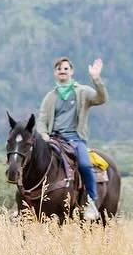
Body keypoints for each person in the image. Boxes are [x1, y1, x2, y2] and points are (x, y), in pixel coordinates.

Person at [36, 55, 106, 218]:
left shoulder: (82, 91)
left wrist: (96, 79)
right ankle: (28, 200)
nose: (62, 71)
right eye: (59, 69)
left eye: (65, 68)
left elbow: (101, 99)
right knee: (35, 161)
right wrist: (44, 134)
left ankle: (91, 200)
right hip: (54, 139)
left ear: (71, 72)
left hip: (75, 138)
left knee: (84, 164)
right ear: (55, 73)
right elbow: (42, 119)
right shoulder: (50, 97)